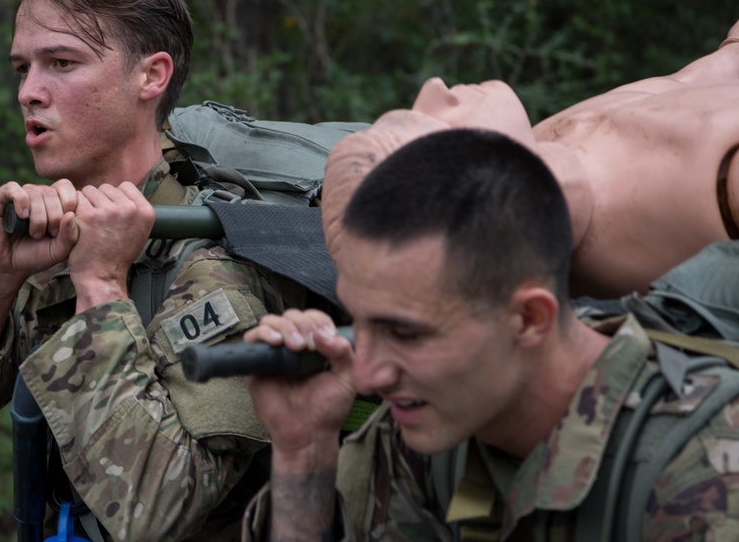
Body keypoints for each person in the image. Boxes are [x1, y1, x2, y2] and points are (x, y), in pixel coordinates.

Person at [0, 0, 312, 542]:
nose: (29, 90)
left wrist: (102, 284)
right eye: (22, 67)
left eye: (62, 62)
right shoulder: (39, 238)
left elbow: (158, 514)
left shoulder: (215, 257)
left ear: (150, 76)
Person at [241, 128, 739, 541]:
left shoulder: (701, 476)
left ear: (529, 320)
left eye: (406, 334)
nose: (368, 376)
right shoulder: (432, 426)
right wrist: (304, 453)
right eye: (362, 323)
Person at [321, 20, 739, 299]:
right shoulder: (717, 190)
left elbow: (723, 64)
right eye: (426, 120)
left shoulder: (547, 149)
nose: (435, 88)